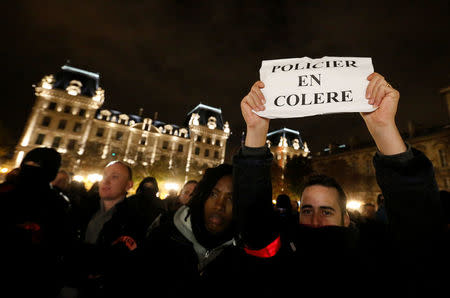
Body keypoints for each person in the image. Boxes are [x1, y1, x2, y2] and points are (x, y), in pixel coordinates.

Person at [233, 73, 445, 296]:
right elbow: (252, 219)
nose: (315, 222)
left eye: (326, 211)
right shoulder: (281, 255)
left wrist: (383, 128)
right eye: (307, 210)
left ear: (346, 218)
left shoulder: (377, 261)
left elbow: (419, 225)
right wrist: (256, 131)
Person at [136, 164, 236, 297]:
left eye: (231, 198)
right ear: (201, 196)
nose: (219, 205)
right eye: (213, 194)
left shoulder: (240, 256)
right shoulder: (163, 237)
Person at [63, 161, 152, 298]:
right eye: (104, 175)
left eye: (115, 177)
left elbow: (121, 260)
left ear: (129, 185)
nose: (106, 181)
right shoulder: (81, 208)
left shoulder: (135, 218)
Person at [1, 148, 73, 298]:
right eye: (29, 163)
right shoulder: (59, 203)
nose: (32, 169)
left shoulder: (5, 191)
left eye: (36, 165)